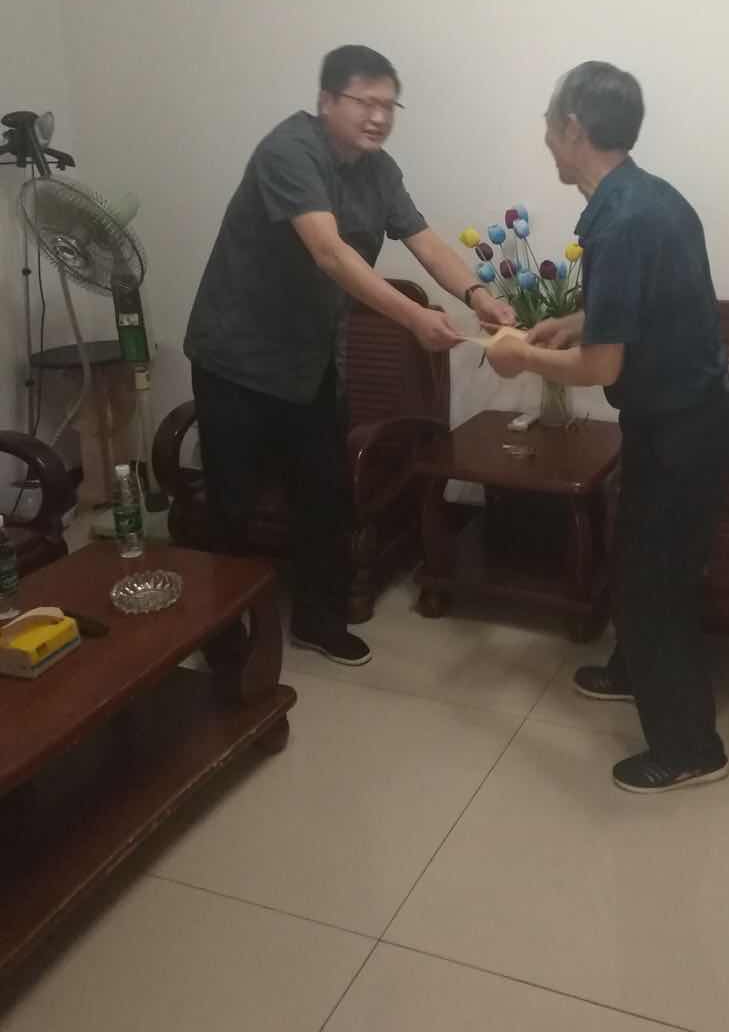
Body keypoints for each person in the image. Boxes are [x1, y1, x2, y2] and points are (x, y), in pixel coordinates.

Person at [185, 44, 514, 665]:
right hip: (237, 358)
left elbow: (425, 242)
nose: (379, 117)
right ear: (327, 101)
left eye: (390, 106)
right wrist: (414, 318)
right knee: (231, 505)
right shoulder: (289, 151)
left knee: (323, 496)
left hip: (310, 361)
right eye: (366, 102)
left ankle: (319, 620)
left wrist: (480, 297)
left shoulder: (379, 171)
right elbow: (330, 254)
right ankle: (223, 638)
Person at [486, 61, 729, 793]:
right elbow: (638, 312)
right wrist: (575, 320)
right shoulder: (645, 197)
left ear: (575, 129)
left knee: (657, 584)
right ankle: (634, 671)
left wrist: (518, 356)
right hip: (680, 420)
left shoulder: (623, 221)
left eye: (549, 124)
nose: (545, 137)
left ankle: (691, 749)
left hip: (687, 432)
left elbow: (602, 367)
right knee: (639, 559)